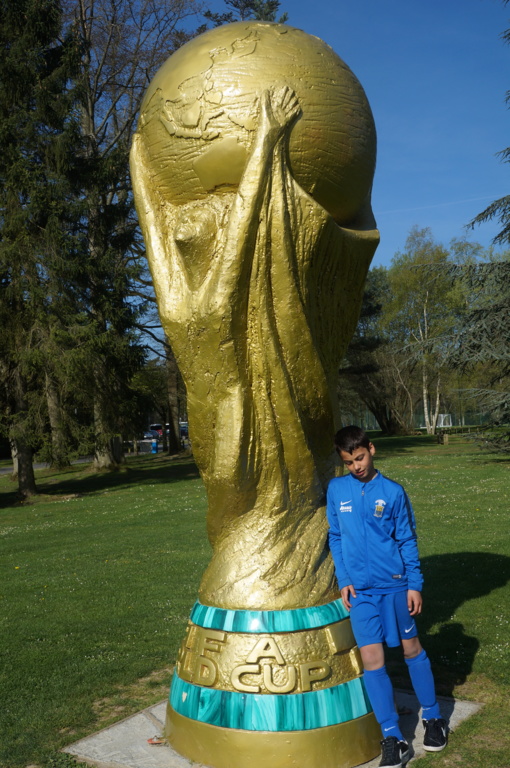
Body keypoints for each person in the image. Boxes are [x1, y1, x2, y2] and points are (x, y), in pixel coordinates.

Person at [326, 425, 448, 768]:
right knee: (372, 661)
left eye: (360, 458)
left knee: (411, 649)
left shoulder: (392, 492)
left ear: (371, 449)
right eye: (349, 462)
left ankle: (433, 718)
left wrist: (414, 584)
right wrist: (344, 578)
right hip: (360, 593)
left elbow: (406, 539)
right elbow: (336, 536)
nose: (356, 466)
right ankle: (393, 736)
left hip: (394, 586)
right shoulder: (337, 489)